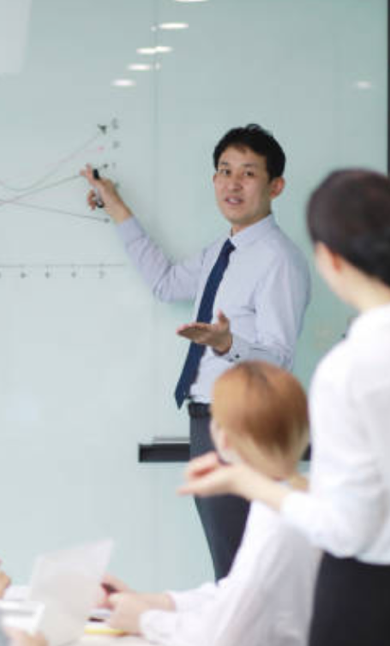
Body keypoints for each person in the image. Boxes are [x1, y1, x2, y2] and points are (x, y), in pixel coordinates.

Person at [181, 169, 390, 646]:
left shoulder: (349, 370)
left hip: (370, 605)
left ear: (329, 258)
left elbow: (343, 528)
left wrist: (247, 480)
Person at [81, 124, 310, 579]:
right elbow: (165, 283)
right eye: (224, 171)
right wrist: (118, 207)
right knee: (231, 565)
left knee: (240, 570)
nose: (232, 183)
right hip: (208, 422)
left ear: (275, 186)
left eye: (248, 173)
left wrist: (228, 344)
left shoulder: (278, 259)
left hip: (241, 427)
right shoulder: (221, 253)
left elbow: (280, 358)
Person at [99, 361, 318, 646]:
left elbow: (223, 635)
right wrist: (152, 602)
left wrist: (145, 621)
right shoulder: (301, 498)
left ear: (223, 438)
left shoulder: (274, 519)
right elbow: (236, 593)